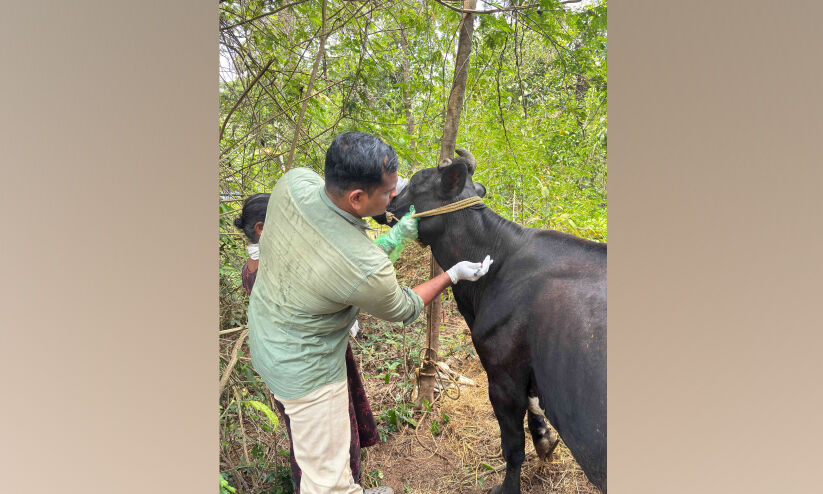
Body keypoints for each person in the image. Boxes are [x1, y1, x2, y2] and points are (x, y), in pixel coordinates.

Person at [247, 131, 492, 494]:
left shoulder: (293, 183)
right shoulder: (365, 267)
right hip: (306, 371)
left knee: (321, 451)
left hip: (267, 336)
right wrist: (451, 274)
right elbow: (403, 305)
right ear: (358, 197)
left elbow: (341, 244)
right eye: (390, 191)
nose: (395, 195)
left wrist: (399, 204)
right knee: (325, 481)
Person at [233, 193, 380, 493]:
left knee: (308, 439)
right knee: (330, 435)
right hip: (311, 368)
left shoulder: (255, 269)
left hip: (292, 367)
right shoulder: (269, 271)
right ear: (261, 229)